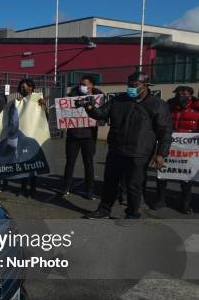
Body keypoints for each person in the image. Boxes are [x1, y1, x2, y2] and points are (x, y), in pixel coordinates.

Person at [83, 72, 173, 219]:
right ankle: (104, 210)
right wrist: (89, 107)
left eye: (135, 85)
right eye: (129, 85)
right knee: (110, 182)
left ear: (145, 86)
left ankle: (132, 213)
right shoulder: (118, 100)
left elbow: (165, 131)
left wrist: (161, 153)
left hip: (139, 152)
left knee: (133, 185)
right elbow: (101, 114)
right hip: (116, 149)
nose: (131, 88)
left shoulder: (157, 104)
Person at [152, 86, 199, 214]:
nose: (180, 95)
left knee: (186, 176)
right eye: (178, 93)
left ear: (190, 95)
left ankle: (185, 203)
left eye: (184, 93)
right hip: (168, 145)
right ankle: (160, 200)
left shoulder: (197, 109)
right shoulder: (168, 107)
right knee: (162, 174)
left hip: (189, 149)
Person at [59, 75, 104, 200]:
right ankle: (65, 187)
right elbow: (64, 112)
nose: (82, 86)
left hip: (89, 136)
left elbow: (102, 115)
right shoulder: (71, 96)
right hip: (73, 135)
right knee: (70, 162)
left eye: (85, 84)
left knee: (88, 163)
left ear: (92, 86)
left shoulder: (99, 98)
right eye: (81, 84)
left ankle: (89, 190)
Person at [16, 79, 46, 198]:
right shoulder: (20, 102)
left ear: (32, 87)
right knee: (23, 162)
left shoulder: (37, 99)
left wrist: (44, 106)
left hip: (34, 135)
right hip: (22, 136)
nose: (25, 89)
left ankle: (33, 188)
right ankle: (23, 187)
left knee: (33, 163)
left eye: (27, 87)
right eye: (23, 87)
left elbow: (44, 117)